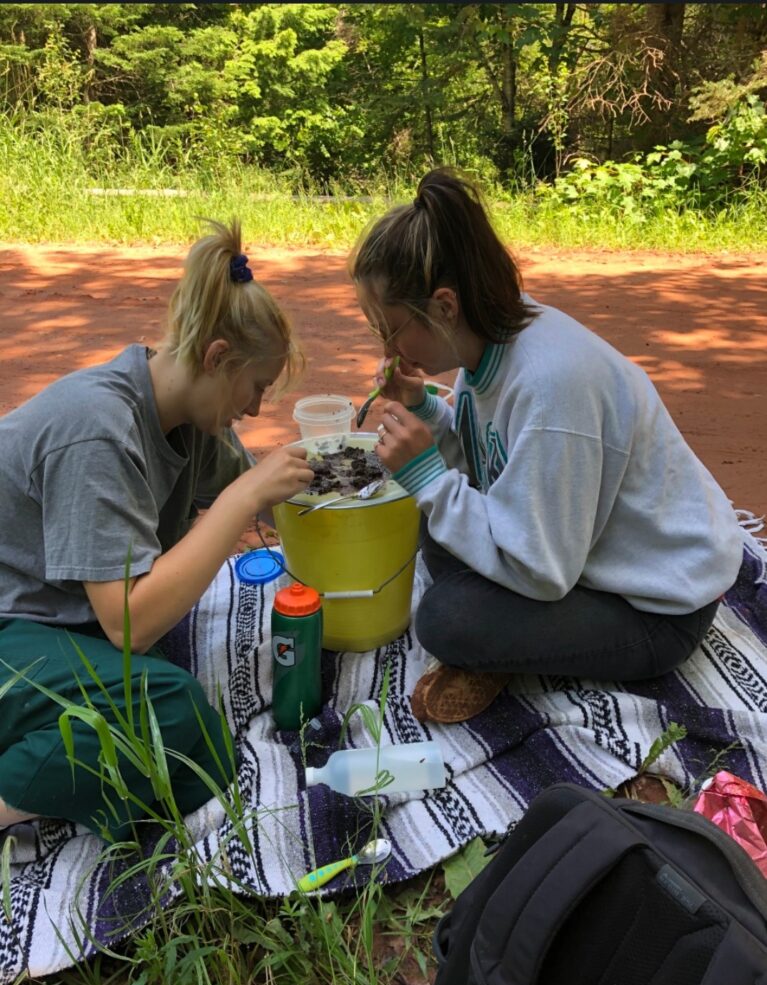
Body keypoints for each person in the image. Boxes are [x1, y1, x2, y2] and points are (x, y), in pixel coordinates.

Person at [350, 168, 744, 725]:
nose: (385, 346)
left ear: (443, 307)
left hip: (656, 606)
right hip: (581, 557)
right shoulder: (486, 349)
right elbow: (488, 461)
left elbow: (543, 571)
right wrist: (423, 410)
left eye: (388, 326)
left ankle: (510, 645)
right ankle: (517, 639)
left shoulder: (550, 385)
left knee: (444, 619)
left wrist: (429, 477)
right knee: (428, 516)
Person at [0, 220, 314, 839]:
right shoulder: (97, 429)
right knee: (174, 715)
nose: (254, 410)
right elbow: (130, 625)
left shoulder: (191, 420)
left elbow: (272, 505)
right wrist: (241, 498)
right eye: (255, 388)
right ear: (217, 358)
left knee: (189, 742)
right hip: (13, 630)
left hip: (55, 626)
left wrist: (343, 483)